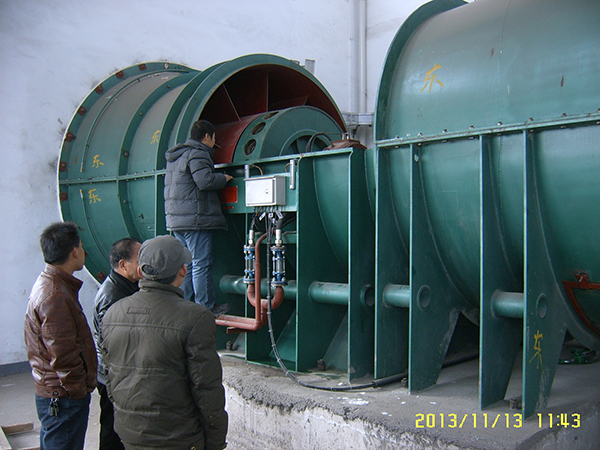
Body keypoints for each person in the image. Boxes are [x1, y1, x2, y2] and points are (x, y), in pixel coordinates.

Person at [101, 235, 228, 450]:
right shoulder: (196, 317)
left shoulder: (113, 313)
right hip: (179, 437)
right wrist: (216, 441)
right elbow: (207, 389)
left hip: (130, 434)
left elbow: (110, 377)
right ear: (183, 271)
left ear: (141, 271)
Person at [24, 221, 97, 450]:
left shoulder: (53, 284)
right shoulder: (55, 294)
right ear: (74, 252)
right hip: (64, 397)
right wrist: (78, 390)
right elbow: (63, 353)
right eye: (81, 247)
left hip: (59, 393)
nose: (84, 252)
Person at [164, 118, 232, 316]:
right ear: (207, 136)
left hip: (177, 219)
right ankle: (206, 307)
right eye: (214, 138)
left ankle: (187, 305)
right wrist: (224, 178)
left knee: (189, 264)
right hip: (195, 220)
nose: (214, 143)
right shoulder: (198, 153)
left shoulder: (177, 156)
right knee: (201, 264)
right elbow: (205, 181)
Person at [93, 237, 142, 450]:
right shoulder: (112, 297)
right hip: (114, 378)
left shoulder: (127, 286)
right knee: (113, 431)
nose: (144, 265)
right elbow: (114, 345)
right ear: (123, 265)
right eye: (139, 260)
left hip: (120, 376)